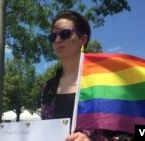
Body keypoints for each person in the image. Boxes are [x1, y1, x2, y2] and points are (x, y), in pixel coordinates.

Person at [41, 10, 133, 141]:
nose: (57, 40)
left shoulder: (105, 83)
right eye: (52, 37)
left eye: (65, 34)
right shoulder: (47, 88)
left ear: (83, 39)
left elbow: (127, 134)